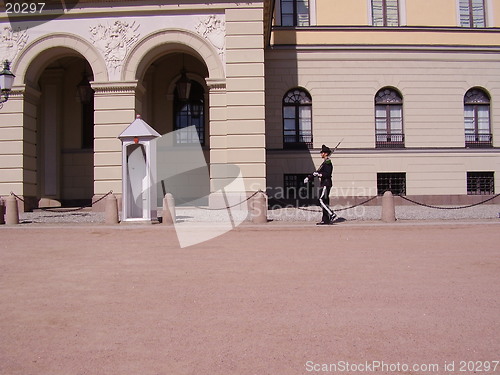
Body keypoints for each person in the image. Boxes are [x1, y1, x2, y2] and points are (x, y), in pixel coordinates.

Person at [304, 144, 337, 225]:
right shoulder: (324, 163)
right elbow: (318, 172)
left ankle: (331, 214)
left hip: (326, 184)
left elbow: (327, 174)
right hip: (323, 184)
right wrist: (309, 177)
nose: (321, 154)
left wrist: (319, 174)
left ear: (326, 153)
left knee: (320, 200)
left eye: (322, 152)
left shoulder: (328, 162)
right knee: (324, 202)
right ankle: (325, 220)